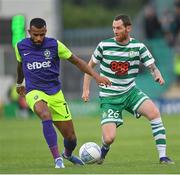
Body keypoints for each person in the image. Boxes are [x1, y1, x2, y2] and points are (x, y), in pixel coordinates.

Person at [15, 18, 111, 169]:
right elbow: (20, 65)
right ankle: (57, 159)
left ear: (45, 32)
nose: (39, 38)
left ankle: (67, 154)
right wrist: (20, 83)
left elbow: (77, 61)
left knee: (71, 139)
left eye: (42, 34)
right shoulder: (20, 46)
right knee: (45, 114)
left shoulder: (55, 45)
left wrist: (97, 76)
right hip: (34, 90)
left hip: (55, 94)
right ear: (29, 33)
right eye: (35, 35)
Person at [82, 14, 174, 164]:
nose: (115, 31)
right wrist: (85, 89)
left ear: (128, 28)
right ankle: (103, 150)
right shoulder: (104, 46)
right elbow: (88, 67)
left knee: (154, 113)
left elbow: (152, 66)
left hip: (130, 92)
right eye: (113, 28)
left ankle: (163, 157)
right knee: (109, 138)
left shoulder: (138, 47)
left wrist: (157, 75)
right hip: (109, 97)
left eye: (118, 28)